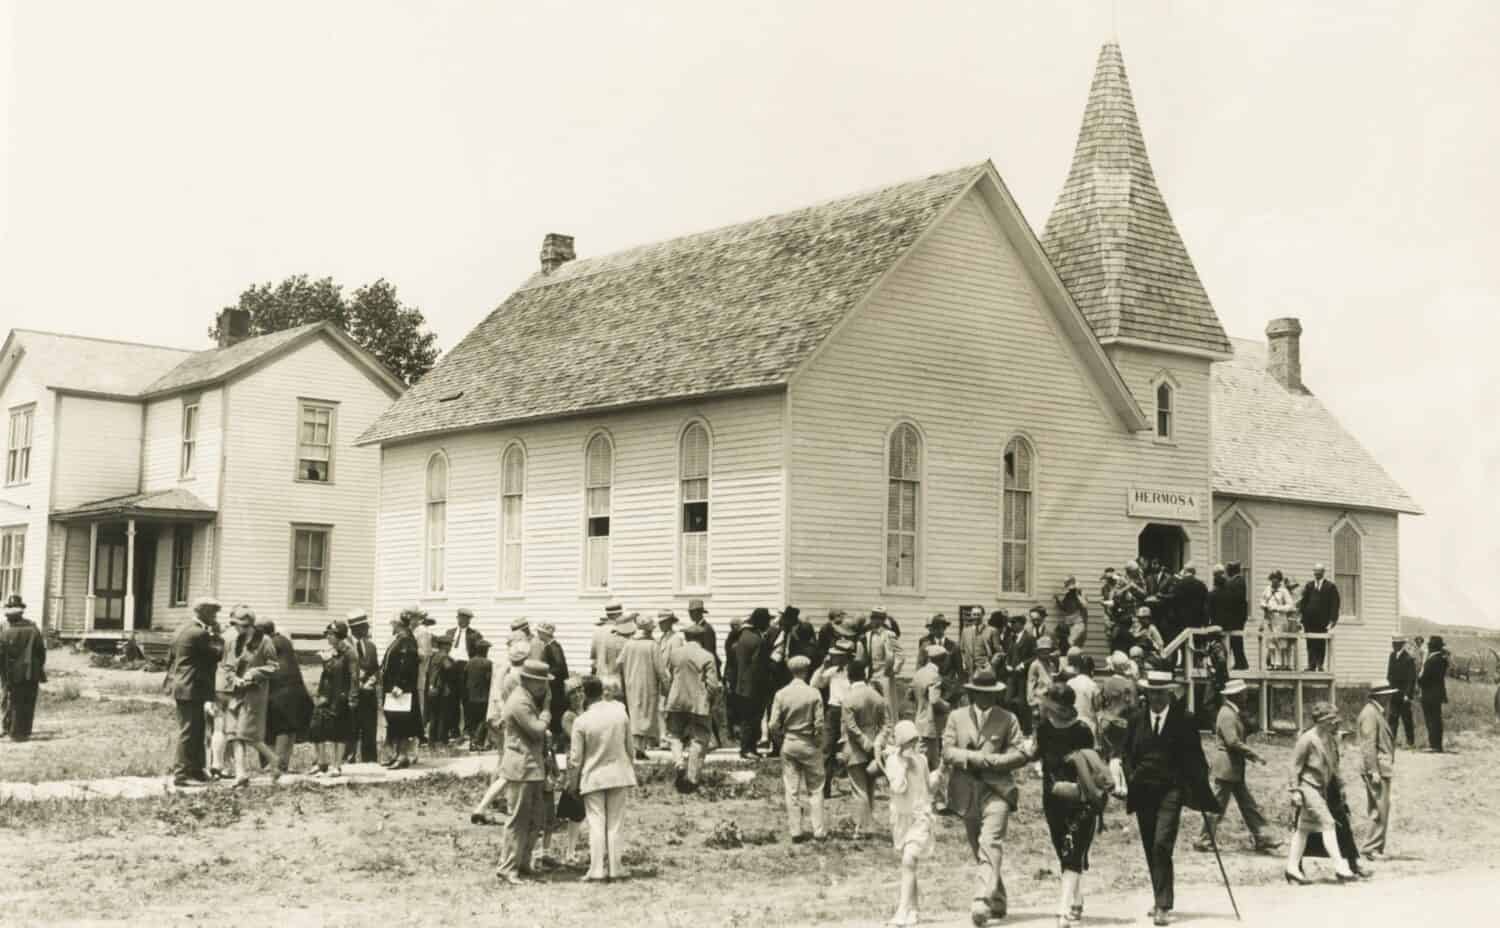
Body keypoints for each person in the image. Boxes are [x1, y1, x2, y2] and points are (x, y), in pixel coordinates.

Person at [1114, 669, 1217, 926]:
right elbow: (1125, 753)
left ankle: (1163, 905)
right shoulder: (1136, 719)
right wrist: (1130, 775)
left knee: (1162, 843)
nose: (1156, 697)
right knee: (1151, 846)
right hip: (1143, 791)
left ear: (1169, 692)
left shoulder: (1184, 720)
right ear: (1146, 692)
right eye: (1152, 692)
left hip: (1172, 790)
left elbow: (1196, 757)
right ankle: (1158, 894)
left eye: (1161, 692)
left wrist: (1200, 783)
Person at [942, 668, 1027, 927]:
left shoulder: (1008, 718)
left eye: (990, 694)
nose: (985, 698)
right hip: (966, 792)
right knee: (978, 847)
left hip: (997, 790)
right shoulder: (956, 717)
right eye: (979, 693)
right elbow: (946, 751)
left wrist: (993, 761)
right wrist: (971, 758)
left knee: (991, 842)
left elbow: (1020, 753)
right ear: (971, 693)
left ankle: (981, 900)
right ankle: (998, 899)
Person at [1029, 683, 1106, 928]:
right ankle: (1077, 898)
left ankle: (1062, 910)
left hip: (1080, 799)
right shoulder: (1043, 729)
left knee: (1073, 850)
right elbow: (1036, 754)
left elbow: (1091, 764)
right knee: (1064, 851)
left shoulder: (1083, 730)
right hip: (1052, 798)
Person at [567, 675, 637, 881]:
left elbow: (575, 759)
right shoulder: (620, 715)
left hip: (593, 776)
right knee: (615, 823)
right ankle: (616, 868)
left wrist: (573, 783)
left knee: (596, 824)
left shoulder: (581, 721)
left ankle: (596, 869)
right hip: (619, 773)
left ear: (584, 695)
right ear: (601, 691)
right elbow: (630, 749)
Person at [1196, 679, 1279, 853]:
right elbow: (1232, 742)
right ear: (1235, 696)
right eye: (1243, 693)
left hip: (1233, 769)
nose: (1246, 696)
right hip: (1226, 769)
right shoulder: (1227, 714)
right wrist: (1254, 755)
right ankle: (1203, 840)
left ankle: (1263, 837)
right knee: (1217, 807)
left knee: (1249, 806)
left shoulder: (1234, 712)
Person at [1285, 702, 1358, 883]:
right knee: (1328, 823)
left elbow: (1334, 767)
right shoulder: (1307, 739)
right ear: (1322, 721)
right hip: (1307, 787)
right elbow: (1294, 767)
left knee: (1303, 829)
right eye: (1332, 720)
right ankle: (1341, 867)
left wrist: (1340, 787)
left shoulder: (1331, 739)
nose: (1336, 724)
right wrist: (1295, 790)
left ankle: (1292, 868)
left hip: (1322, 788)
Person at [496, 659, 553, 885]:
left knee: (535, 819)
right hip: (521, 768)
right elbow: (537, 730)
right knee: (518, 820)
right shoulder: (519, 702)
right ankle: (507, 867)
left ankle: (523, 863)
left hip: (532, 768)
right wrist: (547, 711)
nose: (545, 688)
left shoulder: (528, 699)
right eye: (541, 683)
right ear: (528, 681)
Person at [883, 719, 942, 927]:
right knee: (910, 865)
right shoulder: (892, 762)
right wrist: (904, 768)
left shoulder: (922, 760)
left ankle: (901, 910)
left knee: (909, 861)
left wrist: (936, 779)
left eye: (914, 742)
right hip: (901, 818)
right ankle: (914, 910)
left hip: (920, 817)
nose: (912, 746)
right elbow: (897, 788)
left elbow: (928, 788)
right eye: (908, 742)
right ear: (900, 743)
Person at [165, 597, 223, 786]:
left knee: (196, 729)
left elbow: (171, 658)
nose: (215, 617)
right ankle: (181, 774)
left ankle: (196, 770)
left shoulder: (181, 629)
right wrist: (218, 636)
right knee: (189, 730)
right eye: (213, 613)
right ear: (205, 613)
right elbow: (216, 655)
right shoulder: (201, 634)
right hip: (192, 687)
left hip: (182, 684)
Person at [768, 654, 826, 842]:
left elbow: (773, 725)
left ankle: (796, 831)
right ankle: (818, 830)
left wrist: (780, 740)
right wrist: (818, 741)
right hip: (809, 742)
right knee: (816, 788)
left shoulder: (781, 694)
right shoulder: (813, 693)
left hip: (790, 742)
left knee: (791, 789)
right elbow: (819, 723)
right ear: (806, 671)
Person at [223, 606, 281, 788]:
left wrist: (255, 672)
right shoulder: (235, 641)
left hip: (254, 694)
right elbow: (228, 667)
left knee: (249, 735)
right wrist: (234, 678)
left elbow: (274, 666)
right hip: (237, 692)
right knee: (233, 733)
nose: (238, 629)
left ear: (250, 625)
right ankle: (241, 774)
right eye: (236, 625)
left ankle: (275, 761)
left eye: (241, 626)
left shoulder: (264, 642)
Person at [664, 621, 721, 792]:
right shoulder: (707, 656)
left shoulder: (675, 654)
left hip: (676, 700)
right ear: (701, 637)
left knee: (673, 734)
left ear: (686, 637)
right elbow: (713, 685)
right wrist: (712, 701)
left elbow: (668, 677)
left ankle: (679, 763)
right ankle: (692, 778)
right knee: (700, 737)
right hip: (698, 702)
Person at [841, 658, 889, 837]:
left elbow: (851, 728)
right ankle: (868, 824)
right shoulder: (876, 696)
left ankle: (862, 828)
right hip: (874, 748)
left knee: (858, 789)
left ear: (849, 676)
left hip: (854, 749)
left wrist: (865, 743)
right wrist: (877, 743)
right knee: (870, 788)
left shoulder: (848, 699)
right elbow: (887, 724)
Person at [308, 619, 358, 777]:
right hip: (326, 694)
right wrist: (325, 661)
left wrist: (352, 696)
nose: (328, 637)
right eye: (327, 634)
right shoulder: (331, 651)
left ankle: (337, 765)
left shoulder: (349, 652)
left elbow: (354, 676)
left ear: (339, 635)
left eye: (331, 634)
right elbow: (328, 673)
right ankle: (321, 762)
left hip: (341, 695)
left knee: (339, 731)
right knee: (316, 727)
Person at [1356, 679, 1399, 858]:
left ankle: (1375, 847)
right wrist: (1373, 770)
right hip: (1377, 768)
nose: (1388, 699)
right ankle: (1371, 848)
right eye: (1386, 696)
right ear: (1378, 697)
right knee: (1379, 808)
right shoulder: (1370, 714)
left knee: (1381, 807)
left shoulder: (1375, 712)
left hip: (1380, 767)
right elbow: (1368, 745)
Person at [264, 619, 313, 774]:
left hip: (282, 691)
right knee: (287, 728)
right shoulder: (283, 640)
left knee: (281, 726)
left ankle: (277, 763)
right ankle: (280, 763)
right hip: (292, 690)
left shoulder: (269, 643)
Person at [617, 613, 667, 759]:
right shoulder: (652, 645)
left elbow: (619, 662)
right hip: (648, 683)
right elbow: (660, 668)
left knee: (635, 713)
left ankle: (636, 746)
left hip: (631, 683)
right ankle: (639, 747)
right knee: (645, 714)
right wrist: (665, 683)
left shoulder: (629, 644)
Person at [380, 610, 424, 769]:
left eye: (393, 624)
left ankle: (403, 755)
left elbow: (407, 665)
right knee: (395, 721)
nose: (391, 626)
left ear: (399, 624)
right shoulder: (399, 639)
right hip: (393, 689)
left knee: (403, 722)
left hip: (401, 689)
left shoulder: (407, 640)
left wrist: (400, 684)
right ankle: (397, 754)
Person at [910, 645, 951, 814]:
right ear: (941, 660)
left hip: (919, 721)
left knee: (921, 763)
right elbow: (935, 700)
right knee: (936, 765)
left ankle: (923, 798)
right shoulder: (935, 676)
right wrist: (947, 706)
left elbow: (910, 696)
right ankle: (938, 801)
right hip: (931, 724)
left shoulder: (919, 673)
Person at [810, 637, 853, 799]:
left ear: (845, 656)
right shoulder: (832, 671)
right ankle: (824, 787)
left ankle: (855, 784)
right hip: (833, 711)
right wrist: (823, 666)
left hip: (850, 711)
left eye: (836, 655)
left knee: (850, 749)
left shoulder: (854, 671)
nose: (833, 657)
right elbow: (814, 684)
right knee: (826, 748)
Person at [0, 595, 46, 743]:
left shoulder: (3, 630)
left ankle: (12, 730)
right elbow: (41, 652)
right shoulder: (33, 628)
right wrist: (38, 667)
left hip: (10, 671)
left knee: (11, 700)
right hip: (31, 670)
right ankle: (23, 731)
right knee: (28, 700)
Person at [733, 608, 771, 759]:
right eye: (767, 620)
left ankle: (746, 748)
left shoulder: (744, 636)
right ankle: (749, 749)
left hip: (742, 684)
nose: (768, 623)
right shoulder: (757, 640)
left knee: (746, 719)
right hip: (755, 686)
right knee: (753, 719)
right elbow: (758, 666)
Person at [345, 610, 381, 764]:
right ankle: (348, 758)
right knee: (350, 728)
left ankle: (370, 760)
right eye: (364, 626)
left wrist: (372, 680)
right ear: (355, 628)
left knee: (369, 729)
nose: (367, 629)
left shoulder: (371, 646)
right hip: (351, 694)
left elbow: (376, 669)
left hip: (368, 694)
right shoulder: (345, 645)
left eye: (367, 626)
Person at [445, 607, 483, 741]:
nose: (463, 621)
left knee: (467, 700)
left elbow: (479, 653)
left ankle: (468, 729)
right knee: (451, 700)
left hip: (466, 668)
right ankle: (453, 729)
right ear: (457, 618)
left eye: (466, 619)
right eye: (460, 618)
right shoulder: (449, 632)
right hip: (451, 668)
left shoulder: (475, 635)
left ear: (469, 620)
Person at [1299, 565, 1340, 672]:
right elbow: (1303, 603)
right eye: (1315, 571)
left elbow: (1335, 604)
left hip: (1322, 621)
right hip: (1309, 621)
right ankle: (1311, 664)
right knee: (1310, 642)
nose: (1317, 573)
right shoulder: (1309, 586)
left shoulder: (1330, 586)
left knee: (1320, 643)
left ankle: (1320, 664)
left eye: (1319, 571)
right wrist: (1302, 618)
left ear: (1323, 572)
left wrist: (1333, 620)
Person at [867, 607, 903, 722]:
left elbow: (900, 654)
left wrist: (894, 669)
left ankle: (890, 730)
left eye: (878, 618)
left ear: (883, 620)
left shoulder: (889, 635)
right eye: (873, 618)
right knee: (872, 703)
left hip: (884, 675)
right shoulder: (868, 635)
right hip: (871, 674)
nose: (874, 621)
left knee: (887, 705)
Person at [535, 621, 568, 739]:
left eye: (539, 632)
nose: (538, 634)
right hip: (554, 686)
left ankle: (557, 739)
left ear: (545, 633)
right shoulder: (550, 646)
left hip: (555, 687)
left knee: (555, 712)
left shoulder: (552, 648)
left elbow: (558, 667)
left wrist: (546, 674)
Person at [1418, 636, 1449, 752]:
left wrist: (1419, 678)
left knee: (1431, 719)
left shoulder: (1432, 660)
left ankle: (1434, 745)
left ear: (1432, 647)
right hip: (1437, 693)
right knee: (1436, 719)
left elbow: (1424, 678)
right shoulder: (1441, 659)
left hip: (1429, 694)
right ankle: (1437, 744)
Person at [1386, 635, 1417, 748]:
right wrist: (1388, 689)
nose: (1394, 646)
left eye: (1397, 644)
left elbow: (1411, 679)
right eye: (1393, 644)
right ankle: (1390, 742)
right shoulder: (1392, 656)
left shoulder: (1408, 659)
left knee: (1406, 719)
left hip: (1403, 694)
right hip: (1394, 693)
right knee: (1392, 718)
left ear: (1402, 644)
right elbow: (1389, 675)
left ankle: (1410, 742)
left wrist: (1407, 694)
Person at [1260, 571, 1296, 671]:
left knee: (1280, 641)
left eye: (1276, 578)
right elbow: (1262, 600)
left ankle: (1279, 664)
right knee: (1270, 641)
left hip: (1280, 618)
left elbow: (1290, 606)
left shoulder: (1283, 591)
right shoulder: (1267, 589)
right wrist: (1264, 606)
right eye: (1272, 578)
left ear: (1279, 580)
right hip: (1269, 618)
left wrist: (1278, 608)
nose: (1274, 581)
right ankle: (1272, 663)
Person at [464, 640, 494, 749]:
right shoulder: (488, 663)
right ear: (485, 650)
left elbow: (465, 679)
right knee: (482, 719)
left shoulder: (469, 663)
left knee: (472, 720)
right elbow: (489, 679)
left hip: (470, 696)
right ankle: (478, 742)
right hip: (483, 696)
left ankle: (472, 741)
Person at [1220, 562, 1250, 670]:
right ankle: (1240, 662)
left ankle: (1241, 663)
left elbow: (1235, 599)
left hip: (1236, 617)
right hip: (1236, 616)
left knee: (1236, 640)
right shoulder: (1236, 581)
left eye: (1228, 570)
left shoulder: (1238, 581)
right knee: (1235, 640)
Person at [916, 614, 961, 680]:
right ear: (932, 628)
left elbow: (959, 669)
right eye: (935, 627)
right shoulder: (925, 645)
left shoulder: (953, 646)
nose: (938, 630)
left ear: (945, 628)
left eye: (941, 627)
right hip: (930, 681)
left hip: (948, 684)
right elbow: (920, 665)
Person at [1064, 653, 1099, 735]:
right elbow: (1098, 708)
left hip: (1071, 724)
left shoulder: (1069, 683)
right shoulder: (1093, 685)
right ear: (1091, 669)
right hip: (1089, 727)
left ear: (1078, 668)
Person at [1171, 564, 1209, 635]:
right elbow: (1206, 605)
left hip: (1182, 621)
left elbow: (1174, 603)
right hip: (1197, 621)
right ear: (1194, 572)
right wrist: (1205, 622)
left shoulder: (1178, 585)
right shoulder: (1201, 585)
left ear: (1185, 571)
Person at [590, 601, 624, 675]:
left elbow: (594, 657)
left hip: (601, 675)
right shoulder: (622, 631)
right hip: (617, 675)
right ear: (619, 614)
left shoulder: (597, 631)